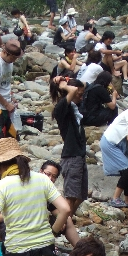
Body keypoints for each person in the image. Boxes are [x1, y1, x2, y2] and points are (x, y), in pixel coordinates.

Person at [50, 77, 88, 216]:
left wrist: (66, 78)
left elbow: (80, 86)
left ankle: (65, 220)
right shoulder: (62, 108)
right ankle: (65, 223)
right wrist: (63, 84)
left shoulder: (74, 109)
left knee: (81, 195)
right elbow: (72, 90)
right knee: (71, 196)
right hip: (71, 156)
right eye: (80, 94)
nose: (82, 97)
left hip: (79, 156)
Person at [39, 160, 79, 247]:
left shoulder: (49, 190)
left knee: (67, 219)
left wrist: (61, 220)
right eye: (47, 174)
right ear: (40, 171)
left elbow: (58, 210)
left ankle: (80, 250)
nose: (50, 178)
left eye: (53, 176)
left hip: (41, 222)